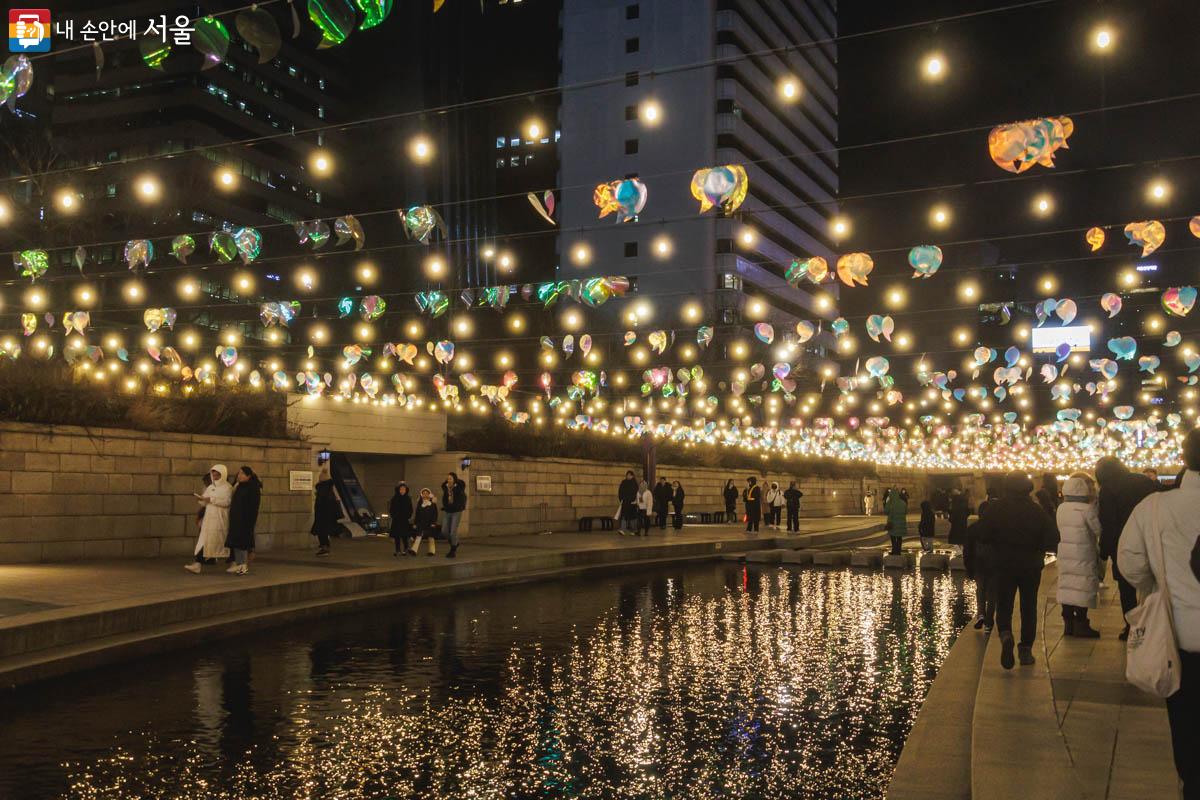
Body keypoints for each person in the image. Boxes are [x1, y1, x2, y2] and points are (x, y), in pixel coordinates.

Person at [1119, 428, 1200, 799]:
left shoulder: (1154, 508)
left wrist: (1158, 584)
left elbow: (1130, 562)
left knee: (1186, 721)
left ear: (1185, 457)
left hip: (1180, 634)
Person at [974, 471, 1058, 669]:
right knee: (1029, 606)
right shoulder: (1035, 510)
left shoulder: (996, 509)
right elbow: (1052, 538)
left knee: (1004, 603)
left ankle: (1005, 635)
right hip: (1030, 565)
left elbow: (982, 533)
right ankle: (1026, 649)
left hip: (1003, 564)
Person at [1095, 456, 1162, 639]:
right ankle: (1155, 622)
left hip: (1123, 544)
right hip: (1149, 539)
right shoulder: (1143, 481)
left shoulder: (1108, 489)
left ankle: (1132, 627)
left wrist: (1105, 550)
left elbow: (1108, 521)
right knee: (1154, 583)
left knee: (1126, 588)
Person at [1055, 474, 1102, 638]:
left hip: (1065, 553)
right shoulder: (1087, 509)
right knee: (1082, 587)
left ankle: (1068, 623)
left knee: (1067, 586)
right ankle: (1081, 623)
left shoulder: (1061, 508)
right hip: (1083, 554)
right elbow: (1098, 530)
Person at [187, 465, 232, 573]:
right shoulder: (211, 487)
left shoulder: (227, 487)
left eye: (217, 474)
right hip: (208, 519)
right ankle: (197, 564)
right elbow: (205, 500)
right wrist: (201, 499)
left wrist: (211, 499)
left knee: (216, 542)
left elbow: (226, 502)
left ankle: (236, 563)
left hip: (219, 519)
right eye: (213, 474)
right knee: (203, 541)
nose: (215, 476)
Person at [224, 466, 261, 576]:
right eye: (238, 473)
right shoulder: (239, 486)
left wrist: (249, 521)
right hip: (236, 519)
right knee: (236, 543)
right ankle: (239, 564)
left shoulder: (253, 488)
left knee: (242, 544)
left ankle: (243, 565)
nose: (239, 476)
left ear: (248, 476)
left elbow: (253, 507)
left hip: (245, 520)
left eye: (242, 474)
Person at [964, 511, 996, 632]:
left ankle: (981, 614)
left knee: (980, 589)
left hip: (978, 564)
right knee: (992, 593)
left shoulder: (973, 528)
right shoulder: (996, 529)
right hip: (993, 565)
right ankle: (989, 622)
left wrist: (969, 568)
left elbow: (967, 550)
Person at [311, 465, 340, 556]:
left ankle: (324, 548)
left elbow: (321, 504)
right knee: (324, 531)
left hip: (323, 515)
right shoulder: (330, 489)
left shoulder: (323, 490)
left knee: (322, 531)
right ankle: (325, 546)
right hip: (328, 515)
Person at [440, 472, 467, 559]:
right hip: (448, 511)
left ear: (454, 479)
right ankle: (455, 542)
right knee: (444, 531)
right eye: (448, 479)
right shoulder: (446, 488)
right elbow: (444, 498)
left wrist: (455, 485)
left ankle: (453, 550)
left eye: (450, 478)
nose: (449, 480)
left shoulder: (459, 488)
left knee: (453, 532)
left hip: (456, 511)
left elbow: (462, 486)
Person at [410, 487, 439, 556]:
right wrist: (415, 523)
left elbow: (435, 514)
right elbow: (417, 514)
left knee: (431, 537)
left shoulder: (433, 504)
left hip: (430, 523)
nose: (425, 495)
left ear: (429, 494)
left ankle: (432, 551)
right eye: (424, 493)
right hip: (421, 523)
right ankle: (414, 550)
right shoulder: (419, 504)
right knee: (418, 536)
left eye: (426, 493)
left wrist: (433, 522)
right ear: (421, 495)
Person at [388, 482, 413, 556]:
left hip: (404, 520)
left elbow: (410, 509)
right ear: (398, 490)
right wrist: (393, 516)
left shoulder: (408, 498)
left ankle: (406, 548)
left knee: (405, 535)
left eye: (404, 489)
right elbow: (391, 509)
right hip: (396, 520)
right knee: (397, 535)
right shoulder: (394, 498)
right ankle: (397, 550)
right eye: (401, 489)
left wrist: (408, 516)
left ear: (406, 490)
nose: (402, 491)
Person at [884, 487, 907, 555]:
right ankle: (898, 551)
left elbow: (886, 511)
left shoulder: (890, 502)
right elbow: (906, 511)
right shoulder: (903, 502)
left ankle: (894, 551)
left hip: (892, 523)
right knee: (899, 538)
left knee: (893, 538)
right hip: (901, 523)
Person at [617, 470, 639, 536]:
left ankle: (634, 530)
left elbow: (636, 493)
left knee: (632, 517)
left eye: (629, 475)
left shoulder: (634, 483)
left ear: (632, 476)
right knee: (624, 516)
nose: (628, 476)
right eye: (627, 475)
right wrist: (621, 499)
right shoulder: (624, 482)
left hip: (632, 503)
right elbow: (620, 491)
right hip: (625, 502)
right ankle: (622, 529)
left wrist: (634, 500)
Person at [948, 490, 969, 555]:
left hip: (956, 526)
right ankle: (962, 551)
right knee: (961, 540)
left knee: (955, 540)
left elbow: (952, 518)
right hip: (963, 524)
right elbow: (968, 512)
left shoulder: (955, 508)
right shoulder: (964, 506)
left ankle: (959, 552)